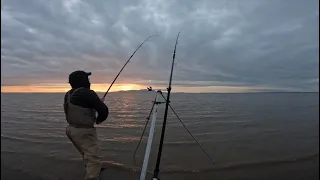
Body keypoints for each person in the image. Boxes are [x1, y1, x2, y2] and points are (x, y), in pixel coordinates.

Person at [63, 70, 109, 180]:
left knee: (85, 153)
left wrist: (96, 102)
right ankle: (93, 174)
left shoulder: (68, 94)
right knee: (93, 158)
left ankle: (91, 168)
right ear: (83, 81)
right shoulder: (87, 93)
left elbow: (81, 106)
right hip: (84, 132)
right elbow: (104, 111)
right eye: (87, 79)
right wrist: (98, 120)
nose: (89, 81)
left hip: (71, 130)